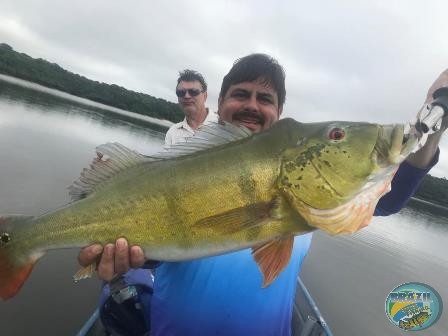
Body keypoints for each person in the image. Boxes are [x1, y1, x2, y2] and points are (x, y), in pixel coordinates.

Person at [78, 54, 447, 336]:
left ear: (279, 112)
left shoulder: (317, 193)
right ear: (220, 105)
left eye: (265, 98)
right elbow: (155, 255)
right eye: (241, 94)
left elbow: (393, 197)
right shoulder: (177, 166)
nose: (252, 105)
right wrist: (125, 264)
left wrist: (434, 123)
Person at [165, 69, 216, 147]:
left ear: (205, 96)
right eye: (181, 92)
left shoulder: (222, 124)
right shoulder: (173, 132)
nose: (187, 96)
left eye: (193, 92)